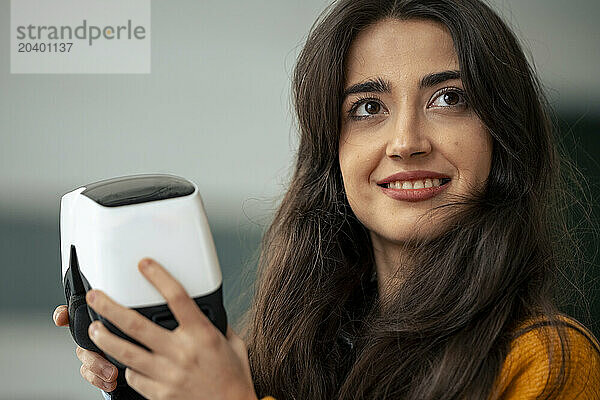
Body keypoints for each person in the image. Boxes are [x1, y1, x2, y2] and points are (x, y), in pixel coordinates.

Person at [54, 0, 600, 398]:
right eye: (366, 108)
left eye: (448, 98)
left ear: (500, 134)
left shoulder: (550, 362)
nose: (407, 141)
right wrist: (150, 386)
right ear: (330, 154)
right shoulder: (287, 358)